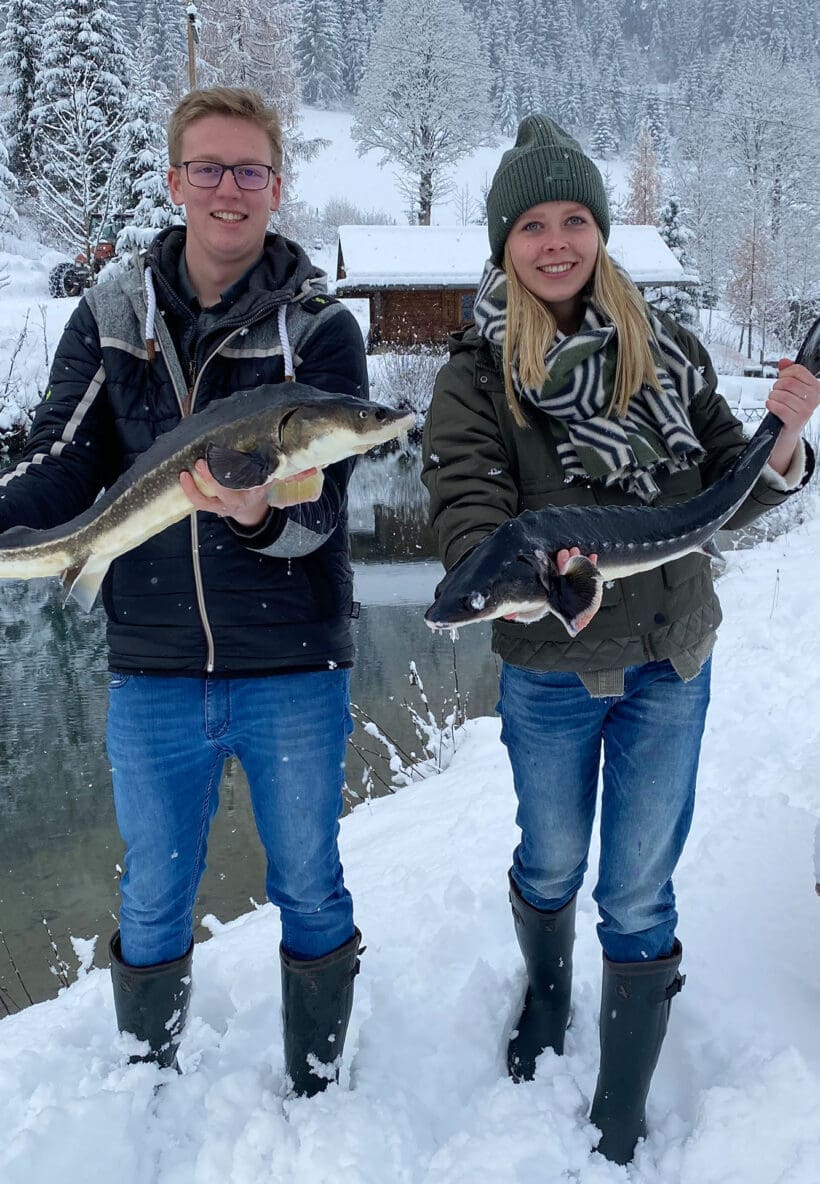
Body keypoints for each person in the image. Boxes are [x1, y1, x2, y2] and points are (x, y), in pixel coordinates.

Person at [421, 115, 819, 1164]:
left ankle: (623, 1094)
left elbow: (732, 489)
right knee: (550, 860)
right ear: (502, 240)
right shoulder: (475, 374)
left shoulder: (668, 346)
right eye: (534, 224)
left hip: (668, 658)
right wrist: (538, 580)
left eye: (577, 219)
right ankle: (548, 994)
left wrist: (785, 438)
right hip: (551, 672)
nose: (556, 242)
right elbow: (467, 511)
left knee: (638, 884)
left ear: (598, 230)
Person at [0, 87, 368, 1096]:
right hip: (155, 664)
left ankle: (320, 1084)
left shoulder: (320, 331)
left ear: (276, 187)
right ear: (173, 183)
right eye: (206, 168)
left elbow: (323, 507)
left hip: (294, 663)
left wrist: (254, 516)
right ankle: (142, 1093)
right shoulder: (112, 314)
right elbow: (63, 463)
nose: (227, 188)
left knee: (308, 881)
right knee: (154, 888)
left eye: (249, 170)